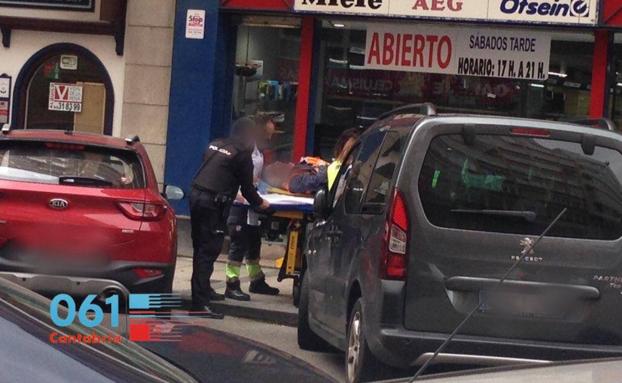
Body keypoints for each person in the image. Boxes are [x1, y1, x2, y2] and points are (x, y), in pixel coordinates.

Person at [190, 117, 270, 318]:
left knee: (199, 247)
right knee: (208, 250)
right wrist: (263, 204)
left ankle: (204, 289)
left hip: (196, 197)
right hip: (213, 203)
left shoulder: (215, 144)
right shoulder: (242, 155)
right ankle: (199, 303)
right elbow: (248, 189)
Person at [225, 115, 280, 301]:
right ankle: (231, 283)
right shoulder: (239, 149)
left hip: (252, 201)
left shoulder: (257, 150)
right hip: (239, 202)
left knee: (253, 241)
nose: (269, 139)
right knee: (238, 243)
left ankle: (256, 280)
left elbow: (256, 175)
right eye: (267, 134)